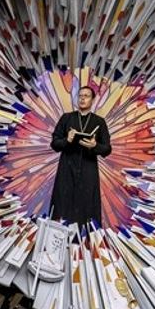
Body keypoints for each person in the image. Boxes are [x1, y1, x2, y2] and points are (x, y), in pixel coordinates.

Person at [47, 85, 112, 227]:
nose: (82, 98)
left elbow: (107, 149)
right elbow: (54, 144)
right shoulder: (66, 118)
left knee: (86, 206)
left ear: (93, 100)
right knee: (62, 203)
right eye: (80, 96)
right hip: (66, 168)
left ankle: (84, 242)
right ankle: (57, 239)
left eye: (86, 96)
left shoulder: (99, 122)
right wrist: (67, 140)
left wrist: (95, 146)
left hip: (88, 170)